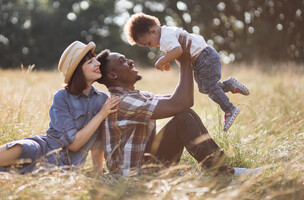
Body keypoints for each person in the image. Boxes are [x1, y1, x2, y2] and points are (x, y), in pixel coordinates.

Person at [0, 41, 119, 175]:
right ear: (78, 72)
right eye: (90, 62)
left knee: (4, 174)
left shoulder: (102, 100)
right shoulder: (62, 96)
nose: (97, 63)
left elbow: (97, 144)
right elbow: (73, 144)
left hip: (65, 168)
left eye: (95, 58)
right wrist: (102, 114)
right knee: (23, 147)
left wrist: (98, 175)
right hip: (44, 148)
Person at [96, 35, 257, 177]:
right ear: (113, 75)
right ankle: (222, 172)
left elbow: (183, 103)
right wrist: (184, 61)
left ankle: (220, 168)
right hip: (134, 176)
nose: (130, 61)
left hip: (146, 164)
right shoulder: (122, 102)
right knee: (183, 119)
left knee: (185, 114)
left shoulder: (137, 96)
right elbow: (182, 102)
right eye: (122, 61)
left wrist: (187, 61)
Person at [123, 13, 250, 131]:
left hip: (205, 58)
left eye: (148, 43)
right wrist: (168, 60)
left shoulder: (165, 36)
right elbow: (178, 53)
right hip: (202, 61)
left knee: (209, 87)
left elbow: (178, 51)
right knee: (205, 89)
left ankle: (229, 109)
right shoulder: (165, 36)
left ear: (153, 31)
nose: (150, 47)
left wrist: (161, 61)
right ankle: (229, 85)